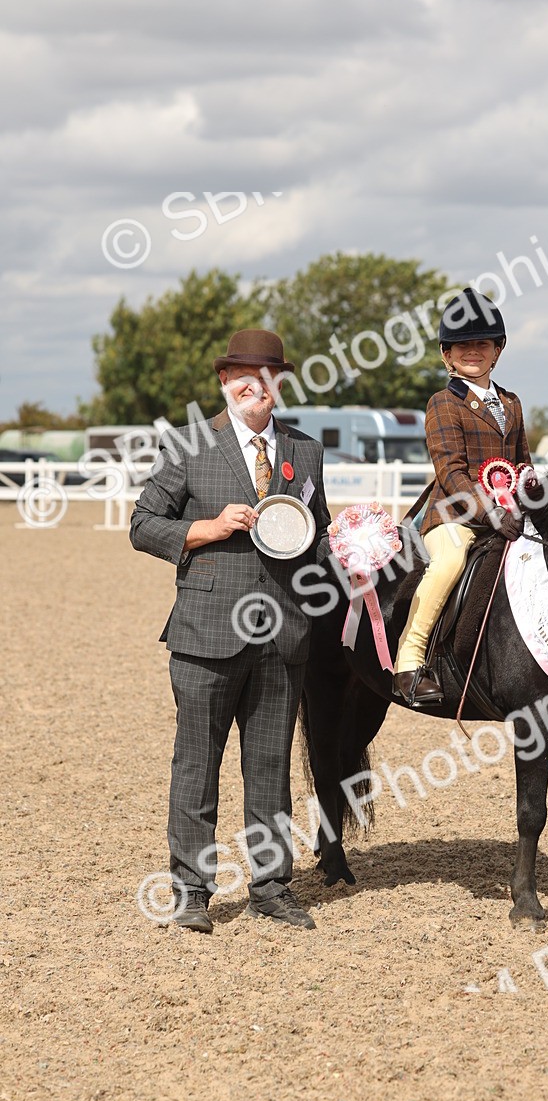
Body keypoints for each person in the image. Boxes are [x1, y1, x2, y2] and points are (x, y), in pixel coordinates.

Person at [130, 329, 330, 933]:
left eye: (267, 376)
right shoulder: (189, 443)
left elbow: (315, 532)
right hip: (206, 632)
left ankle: (271, 886)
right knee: (197, 764)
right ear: (224, 380)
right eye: (243, 375)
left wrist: (348, 547)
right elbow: (143, 524)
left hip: (283, 634)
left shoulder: (306, 450)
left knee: (270, 767)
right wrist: (206, 529)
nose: (255, 386)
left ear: (280, 384)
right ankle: (191, 891)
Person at [393, 289, 532, 706]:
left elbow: (522, 463)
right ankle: (410, 660)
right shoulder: (443, 403)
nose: (473, 352)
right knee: (449, 562)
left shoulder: (511, 403)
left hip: (509, 514)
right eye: (462, 345)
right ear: (447, 355)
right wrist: (490, 513)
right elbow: (450, 471)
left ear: (497, 351)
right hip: (454, 515)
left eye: (482, 344)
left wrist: (534, 496)